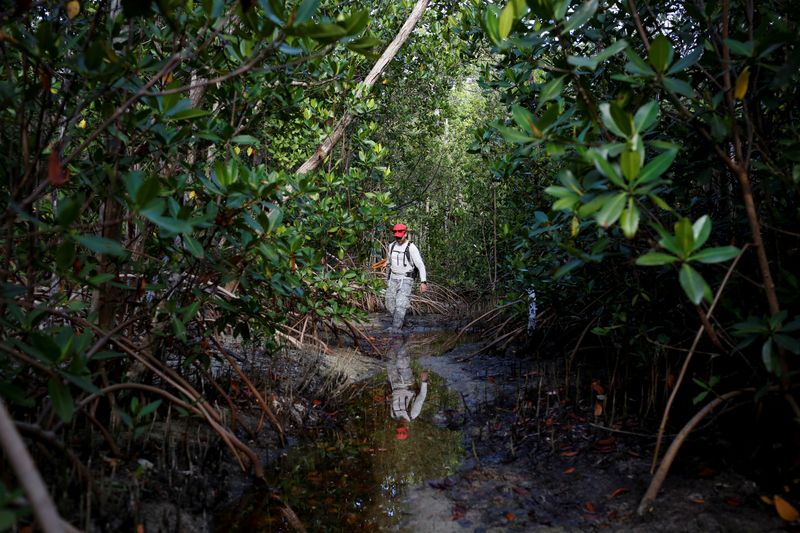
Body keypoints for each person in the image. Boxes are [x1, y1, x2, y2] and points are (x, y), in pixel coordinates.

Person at [385, 223, 428, 332]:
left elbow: (420, 265)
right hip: (393, 278)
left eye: (400, 236)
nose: (398, 238)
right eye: (396, 236)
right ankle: (406, 323)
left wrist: (423, 282)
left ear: (405, 234)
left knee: (400, 304)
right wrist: (386, 263)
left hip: (406, 279)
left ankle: (396, 329)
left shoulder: (412, 248)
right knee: (389, 303)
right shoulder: (391, 246)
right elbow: (390, 260)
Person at [387, 340, 428, 422]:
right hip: (407, 383)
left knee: (389, 358)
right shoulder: (412, 415)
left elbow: (393, 400)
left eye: (398, 427)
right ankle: (400, 336)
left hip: (394, 384)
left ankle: (392, 335)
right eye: (402, 427)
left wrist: (390, 398)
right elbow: (421, 397)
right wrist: (424, 382)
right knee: (401, 359)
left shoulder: (393, 415)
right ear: (406, 427)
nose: (401, 424)